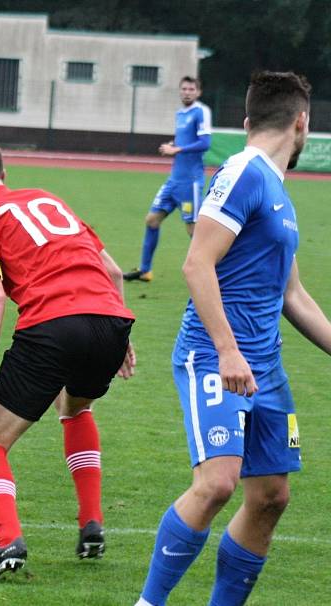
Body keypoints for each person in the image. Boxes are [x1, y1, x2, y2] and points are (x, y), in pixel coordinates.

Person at [134, 71, 331, 606]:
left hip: (265, 367)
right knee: (219, 483)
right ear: (301, 123)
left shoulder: (278, 192)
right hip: (216, 357)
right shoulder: (244, 171)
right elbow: (197, 264)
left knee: (270, 496)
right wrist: (227, 350)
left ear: (247, 122)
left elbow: (293, 296)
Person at [0, 136, 136, 581]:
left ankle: (7, 539)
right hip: (111, 319)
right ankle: (91, 523)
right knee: (75, 407)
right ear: (3, 174)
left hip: (55, 324)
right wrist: (120, 337)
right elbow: (111, 271)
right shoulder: (48, 198)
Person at [124, 76, 212, 282]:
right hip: (174, 181)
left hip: (190, 182)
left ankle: (216, 272)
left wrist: (177, 148)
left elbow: (205, 142)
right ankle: (145, 270)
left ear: (198, 92)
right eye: (184, 88)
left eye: (191, 89)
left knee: (194, 230)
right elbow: (187, 139)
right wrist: (175, 143)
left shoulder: (201, 111)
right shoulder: (180, 114)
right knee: (152, 220)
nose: (187, 92)